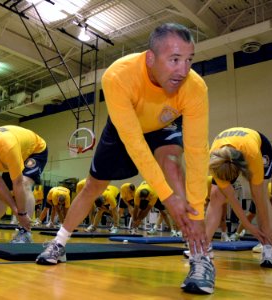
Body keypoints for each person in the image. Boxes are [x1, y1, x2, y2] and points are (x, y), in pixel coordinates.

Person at [36, 23, 213, 295]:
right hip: (126, 127)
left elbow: (198, 151)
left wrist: (197, 211)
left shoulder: (194, 88)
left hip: (164, 126)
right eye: (175, 59)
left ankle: (201, 257)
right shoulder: (118, 76)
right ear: (150, 58)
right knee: (92, 186)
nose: (183, 70)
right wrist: (167, 198)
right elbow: (135, 145)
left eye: (189, 60)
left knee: (173, 165)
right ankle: (59, 243)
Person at [206, 127, 272, 268]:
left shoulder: (253, 154)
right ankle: (203, 247)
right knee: (216, 195)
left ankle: (269, 248)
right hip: (228, 154)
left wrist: (265, 230)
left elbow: (259, 199)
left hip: (259, 147)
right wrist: (248, 225)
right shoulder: (215, 160)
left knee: (260, 194)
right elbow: (232, 198)